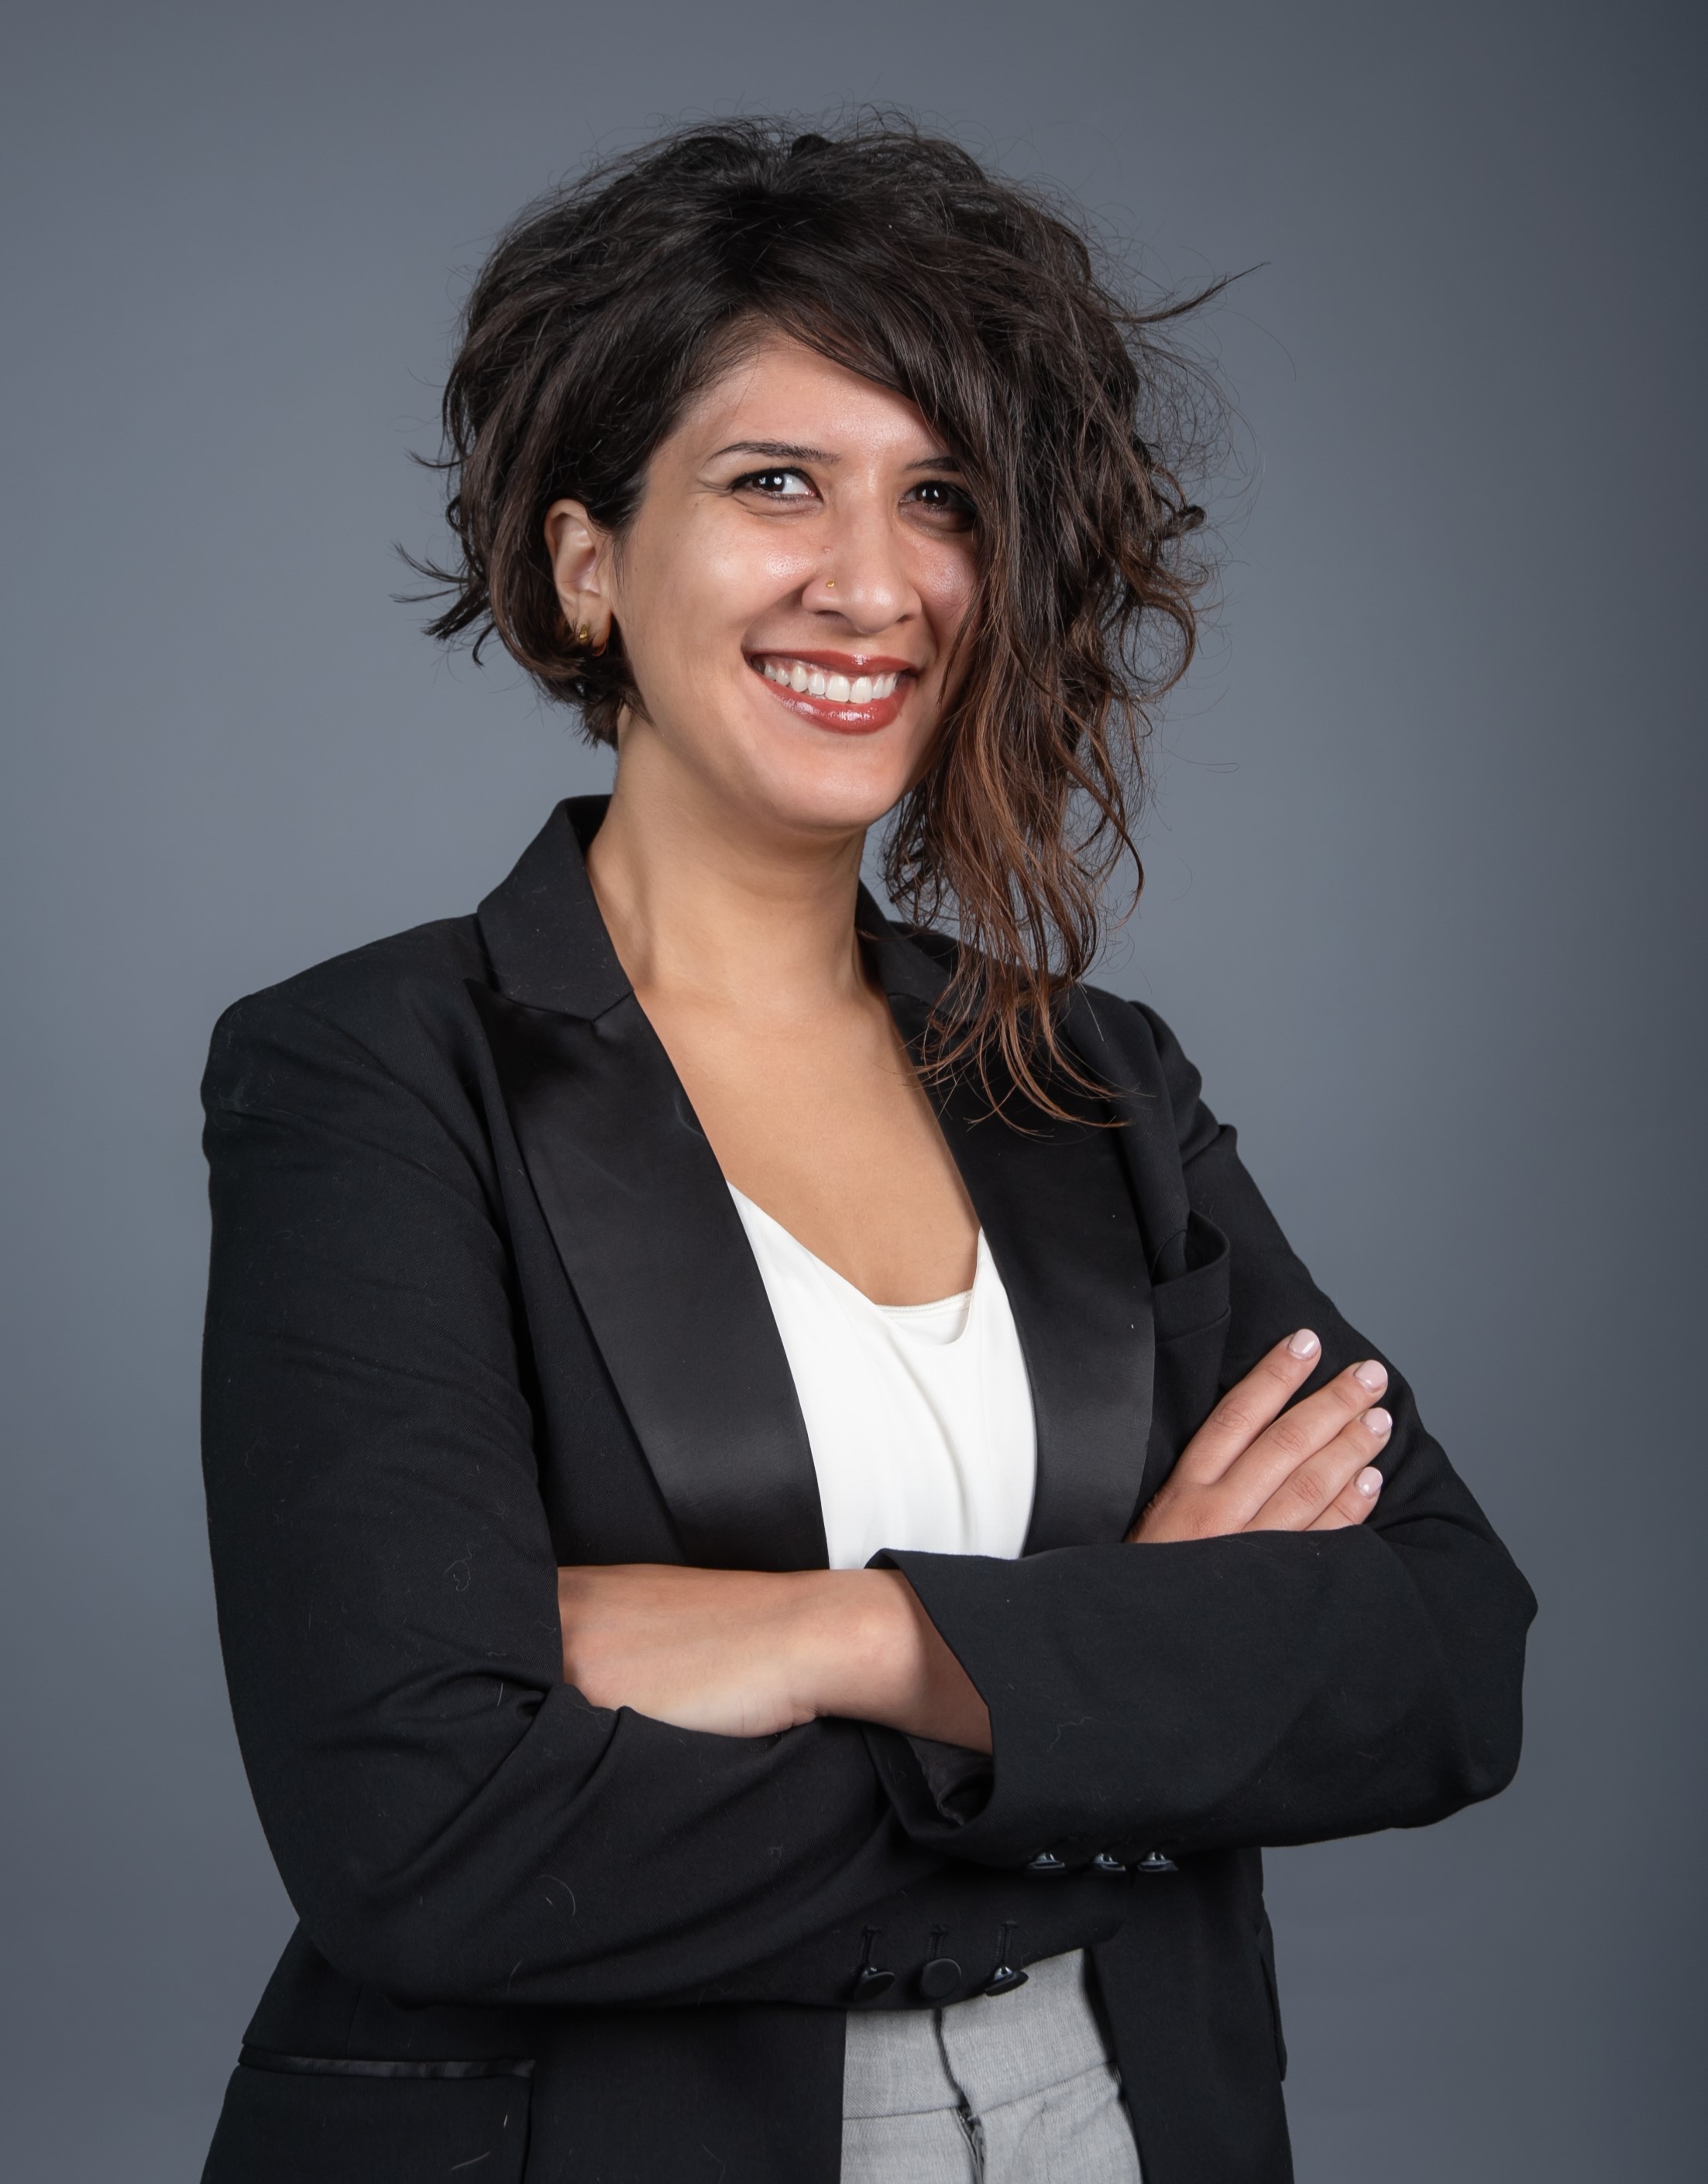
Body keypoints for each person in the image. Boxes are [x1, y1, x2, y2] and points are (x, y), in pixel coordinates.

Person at [196, 119, 1535, 2184]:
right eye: (773, 482)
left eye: (941, 498)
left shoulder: (1091, 1075)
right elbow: (435, 1841)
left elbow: (1445, 1652)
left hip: (1125, 2117)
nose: (875, 579)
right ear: (584, 559)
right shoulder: (376, 1074)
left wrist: (869, 1633)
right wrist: (1122, 1684)